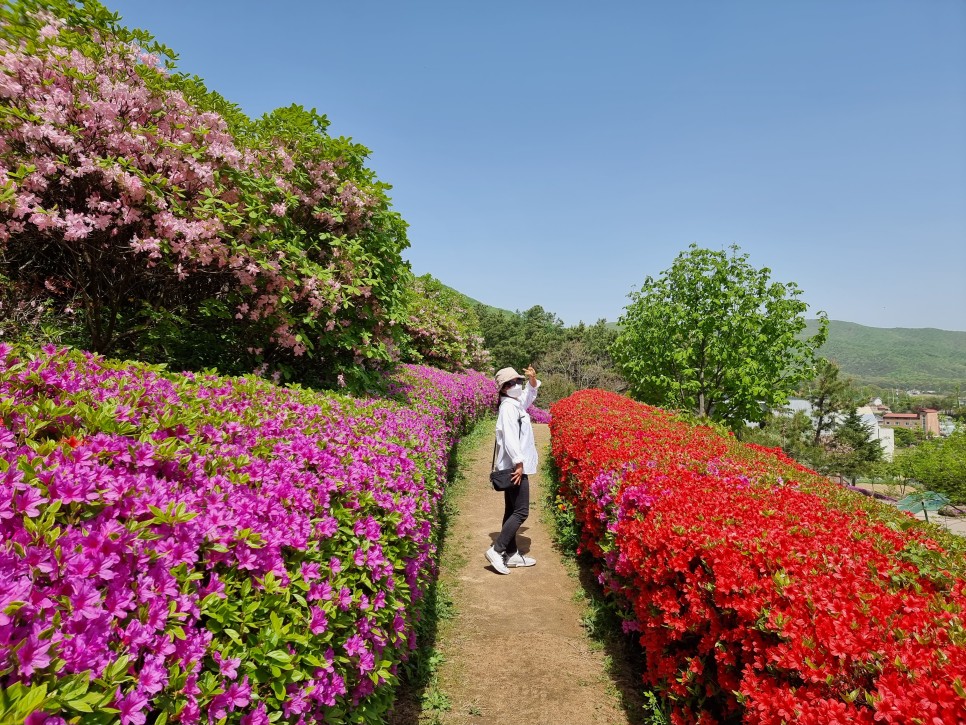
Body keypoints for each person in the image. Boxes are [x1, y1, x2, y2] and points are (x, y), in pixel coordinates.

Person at [485, 364, 540, 575]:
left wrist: (532, 381)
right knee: (521, 511)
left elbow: (528, 396)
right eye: (512, 383)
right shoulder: (508, 408)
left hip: (515, 465)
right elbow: (509, 437)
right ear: (503, 388)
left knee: (511, 510)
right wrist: (518, 463)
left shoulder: (514, 404)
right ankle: (496, 549)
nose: (517, 384)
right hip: (514, 467)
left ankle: (512, 554)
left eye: (519, 381)